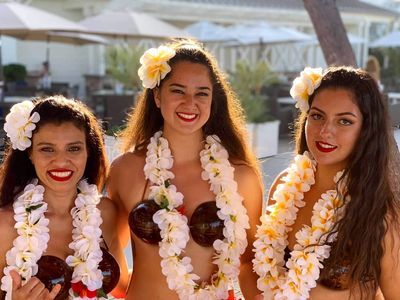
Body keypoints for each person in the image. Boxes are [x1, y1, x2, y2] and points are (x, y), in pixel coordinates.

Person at [107, 39, 263, 299]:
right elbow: (113, 253)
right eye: (177, 91)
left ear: (213, 100)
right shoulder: (126, 170)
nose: (190, 102)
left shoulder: (240, 177)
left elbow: (249, 263)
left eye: (201, 93)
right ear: (157, 96)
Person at [253, 66, 400, 299]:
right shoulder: (284, 188)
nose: (325, 131)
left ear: (366, 130)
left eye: (344, 121)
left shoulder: (381, 213)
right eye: (317, 116)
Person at [0, 96, 129, 300]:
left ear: (88, 151)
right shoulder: (6, 225)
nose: (61, 160)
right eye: (47, 149)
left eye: (73, 148)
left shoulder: (104, 212)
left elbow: (122, 288)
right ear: (30, 154)